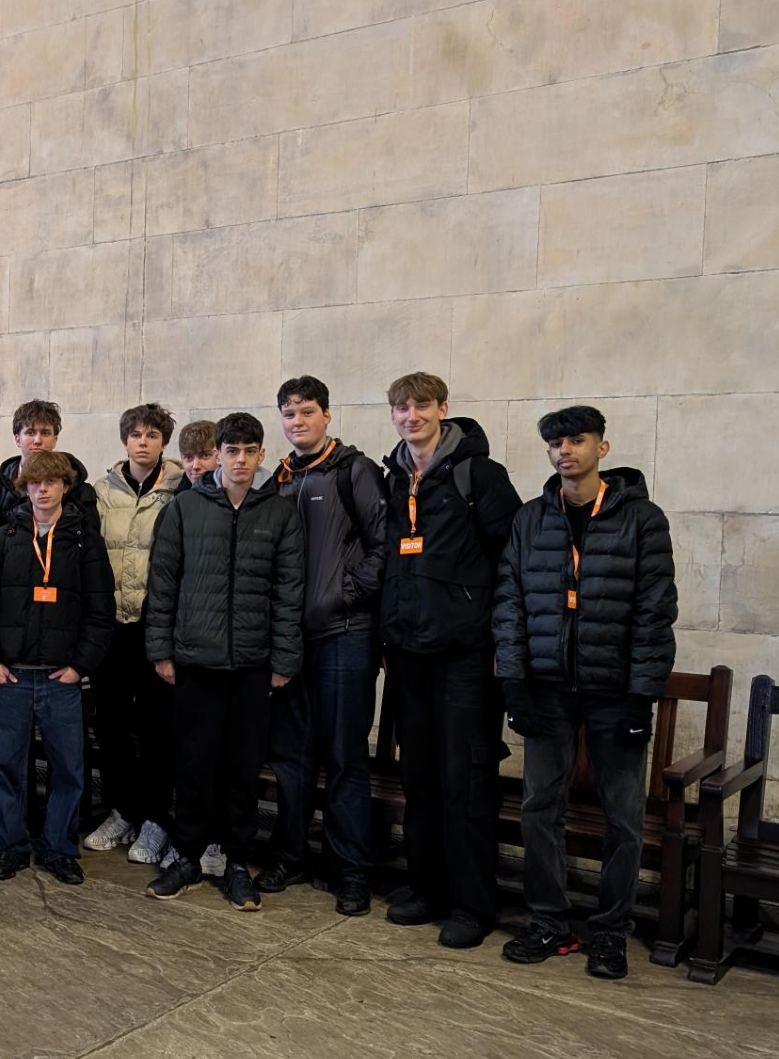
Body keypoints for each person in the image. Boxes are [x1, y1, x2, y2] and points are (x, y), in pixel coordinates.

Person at [496, 406, 677, 981]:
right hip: (547, 688)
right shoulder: (531, 519)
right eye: (556, 443)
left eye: (577, 440)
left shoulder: (641, 519)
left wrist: (641, 696)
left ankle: (611, 931)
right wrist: (514, 682)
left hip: (613, 690)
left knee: (623, 818)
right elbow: (510, 603)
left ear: (602, 447)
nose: (565, 451)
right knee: (538, 809)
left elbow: (654, 611)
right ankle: (550, 921)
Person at [378, 372, 522, 948]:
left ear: (443, 408)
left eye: (421, 406)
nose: (411, 416)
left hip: (465, 655)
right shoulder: (394, 477)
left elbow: (512, 560)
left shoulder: (479, 475)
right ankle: (427, 888)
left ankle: (471, 904)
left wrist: (502, 644)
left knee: (466, 780)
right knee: (419, 777)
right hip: (408, 651)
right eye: (401, 408)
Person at [144, 413, 304, 909]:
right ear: (218, 454)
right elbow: (163, 582)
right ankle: (188, 856)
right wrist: (161, 650)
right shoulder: (186, 508)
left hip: (253, 664)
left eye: (249, 451)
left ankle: (237, 861)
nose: (240, 460)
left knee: (242, 767)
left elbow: (288, 591)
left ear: (260, 455)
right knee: (194, 763)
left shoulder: (279, 512)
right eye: (231, 451)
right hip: (196, 660)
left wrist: (284, 657)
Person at [262, 377, 388, 917]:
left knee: (344, 757)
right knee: (291, 758)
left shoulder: (354, 471)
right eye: (289, 414)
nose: (298, 422)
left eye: (307, 412)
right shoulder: (279, 478)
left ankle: (350, 870)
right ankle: (291, 855)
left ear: (327, 416)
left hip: (344, 636)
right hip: (290, 641)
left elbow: (383, 547)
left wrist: (343, 596)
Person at [0, 450, 114, 884]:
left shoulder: (85, 541)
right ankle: (10, 846)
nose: (43, 490)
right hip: (12, 676)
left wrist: (79, 666)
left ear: (65, 486)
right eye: (35, 482)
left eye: (51, 482)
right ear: (25, 488)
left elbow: (100, 611)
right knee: (6, 766)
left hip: (61, 678)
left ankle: (59, 848)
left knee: (68, 770)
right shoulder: (5, 538)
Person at [85, 403, 186, 866]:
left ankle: (155, 819)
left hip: (156, 626)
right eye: (135, 435)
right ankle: (122, 810)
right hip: (111, 626)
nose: (143, 442)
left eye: (152, 435)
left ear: (164, 441)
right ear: (125, 440)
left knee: (157, 728)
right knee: (111, 725)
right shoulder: (101, 491)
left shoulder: (180, 489)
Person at [0, 399, 100, 530]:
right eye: (30, 432)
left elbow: (91, 536)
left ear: (55, 440)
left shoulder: (80, 490)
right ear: (17, 439)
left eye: (45, 433)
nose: (38, 441)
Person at [177, 420, 219, 487]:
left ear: (220, 456)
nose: (195, 466)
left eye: (205, 455)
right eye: (189, 457)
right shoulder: (174, 490)